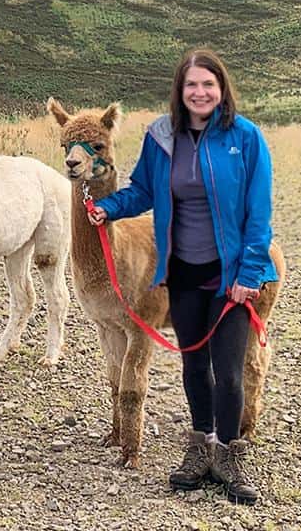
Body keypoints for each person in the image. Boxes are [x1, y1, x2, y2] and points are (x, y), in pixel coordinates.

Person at [87, 48, 278, 505]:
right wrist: (106, 208)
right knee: (194, 366)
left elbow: (260, 212)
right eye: (192, 85)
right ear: (180, 90)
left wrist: (250, 272)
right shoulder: (162, 136)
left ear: (221, 88)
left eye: (208, 84)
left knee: (229, 371)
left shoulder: (246, 138)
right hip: (184, 273)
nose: (200, 92)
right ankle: (199, 446)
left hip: (232, 276)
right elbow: (142, 191)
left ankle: (228, 456)